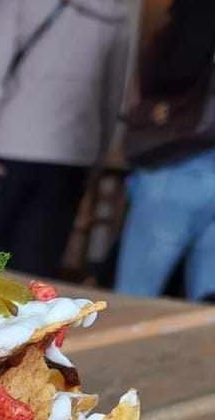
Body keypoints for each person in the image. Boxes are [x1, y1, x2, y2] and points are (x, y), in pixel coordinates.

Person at [0, 0, 132, 278]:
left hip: (5, 151)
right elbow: (112, 94)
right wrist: (97, 156)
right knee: (34, 275)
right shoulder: (116, 12)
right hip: (72, 156)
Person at [115, 0, 215, 299]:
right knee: (206, 312)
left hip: (177, 166)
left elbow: (171, 72)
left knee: (135, 296)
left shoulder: (196, 15)